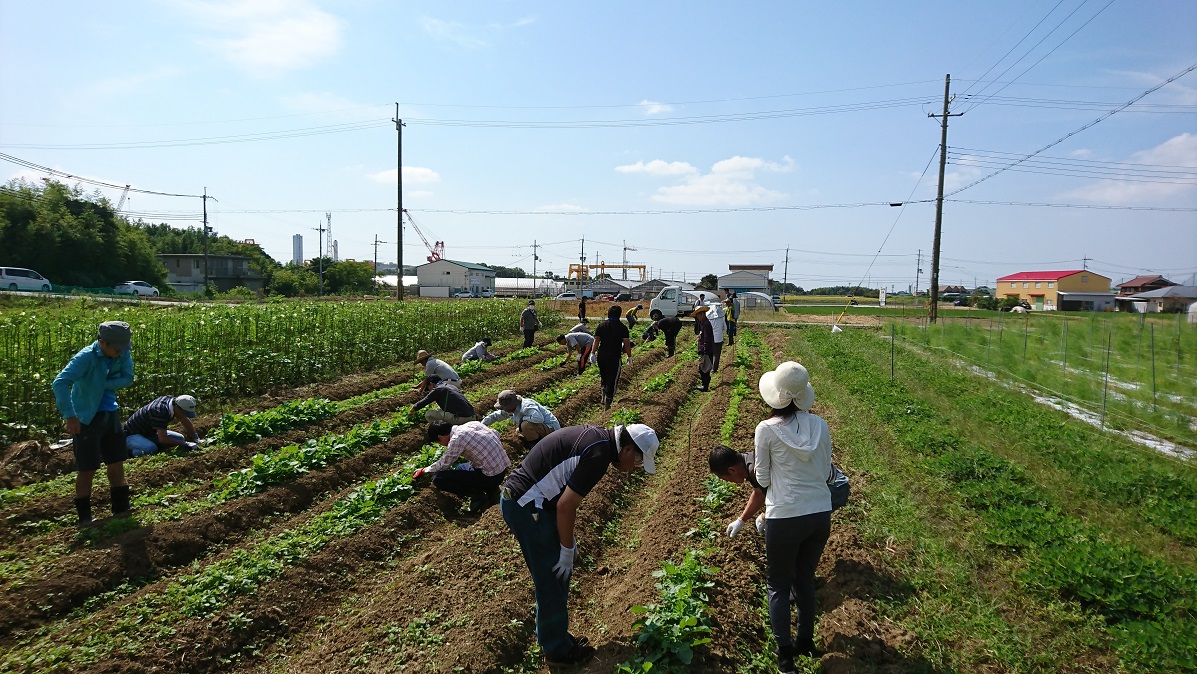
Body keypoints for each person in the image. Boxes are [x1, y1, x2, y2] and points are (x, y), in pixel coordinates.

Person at [499, 423, 659, 667]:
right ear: (627, 449)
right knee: (551, 576)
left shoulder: (598, 439)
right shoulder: (598, 455)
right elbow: (566, 506)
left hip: (531, 502)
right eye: (637, 462)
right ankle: (557, 651)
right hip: (528, 506)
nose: (633, 469)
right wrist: (565, 549)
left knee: (556, 574)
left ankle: (557, 636)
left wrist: (568, 543)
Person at [754, 362, 833, 671]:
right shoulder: (821, 426)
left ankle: (785, 656)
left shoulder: (766, 430)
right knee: (805, 579)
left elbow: (761, 478)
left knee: (778, 583)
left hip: (785, 515)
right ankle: (806, 641)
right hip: (819, 514)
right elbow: (827, 472)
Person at [51, 321, 135, 525]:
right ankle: (85, 518)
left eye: (123, 349)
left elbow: (128, 378)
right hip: (86, 418)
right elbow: (60, 383)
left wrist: (104, 384)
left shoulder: (122, 352)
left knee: (116, 462)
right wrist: (70, 416)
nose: (121, 353)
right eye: (116, 349)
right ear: (102, 342)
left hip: (110, 413)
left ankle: (121, 509)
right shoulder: (86, 357)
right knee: (87, 468)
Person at [414, 421, 511, 513]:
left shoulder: (457, 439)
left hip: (491, 477)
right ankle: (492, 489)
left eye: (439, 442)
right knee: (460, 467)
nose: (442, 445)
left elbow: (443, 464)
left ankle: (479, 498)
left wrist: (424, 471)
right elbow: (496, 433)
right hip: (501, 470)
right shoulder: (473, 424)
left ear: (440, 437)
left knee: (438, 478)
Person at [708, 444, 766, 537]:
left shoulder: (755, 472)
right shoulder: (749, 460)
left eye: (725, 479)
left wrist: (765, 517)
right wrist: (741, 520)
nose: (728, 481)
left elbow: (783, 500)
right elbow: (759, 493)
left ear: (732, 471)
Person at [123, 394, 201, 458]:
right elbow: (163, 439)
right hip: (130, 435)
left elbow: (184, 419)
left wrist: (196, 437)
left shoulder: (173, 402)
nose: (185, 415)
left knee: (180, 438)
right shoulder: (159, 412)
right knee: (150, 449)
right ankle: (128, 453)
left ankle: (151, 444)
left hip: (148, 432)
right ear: (177, 408)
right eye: (185, 413)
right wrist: (186, 444)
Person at [482, 389, 561, 447]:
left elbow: (539, 418)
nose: (504, 410)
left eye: (505, 407)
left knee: (525, 425)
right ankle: (534, 440)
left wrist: (522, 419)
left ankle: (535, 446)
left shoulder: (527, 406)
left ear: (513, 405)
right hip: (541, 427)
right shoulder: (509, 410)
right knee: (519, 430)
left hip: (551, 429)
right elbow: (495, 416)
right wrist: (480, 425)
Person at [593, 305, 632, 409]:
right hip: (614, 357)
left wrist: (592, 353)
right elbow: (627, 344)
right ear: (619, 314)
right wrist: (629, 356)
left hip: (601, 356)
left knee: (604, 376)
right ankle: (608, 400)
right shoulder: (623, 328)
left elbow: (596, 340)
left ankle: (603, 395)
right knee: (613, 378)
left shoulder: (601, 326)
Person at [410, 376, 476, 425]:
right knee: (439, 410)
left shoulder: (438, 389)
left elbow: (425, 401)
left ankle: (441, 431)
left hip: (463, 419)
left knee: (428, 414)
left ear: (431, 384)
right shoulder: (450, 386)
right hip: (472, 416)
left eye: (428, 388)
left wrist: (412, 410)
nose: (429, 390)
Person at [693, 305, 715, 392]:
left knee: (703, 368)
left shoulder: (706, 324)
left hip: (706, 350)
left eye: (697, 315)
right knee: (704, 368)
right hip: (706, 349)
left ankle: (705, 387)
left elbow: (707, 338)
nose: (697, 318)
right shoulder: (704, 323)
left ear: (702, 314)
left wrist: (704, 350)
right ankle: (704, 385)